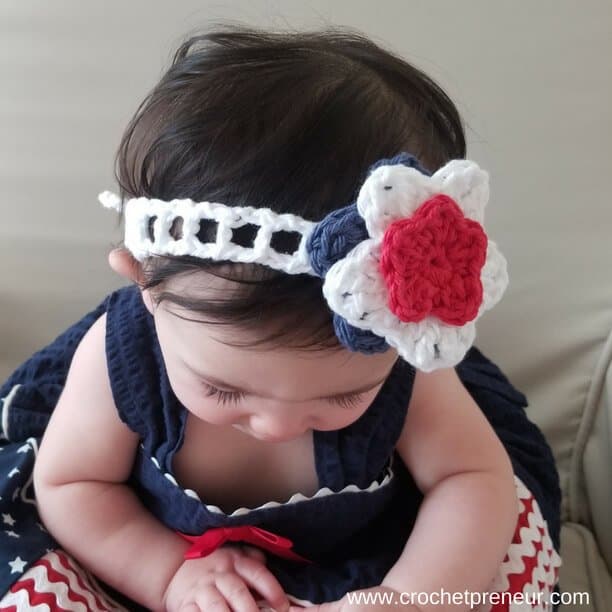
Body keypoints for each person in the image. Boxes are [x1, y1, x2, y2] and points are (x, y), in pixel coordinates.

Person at [0, 23, 562, 612]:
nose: (278, 426)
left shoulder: (400, 361)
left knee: (494, 560)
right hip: (145, 556)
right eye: (221, 387)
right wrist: (164, 575)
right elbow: (72, 485)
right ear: (142, 281)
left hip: (368, 566)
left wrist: (407, 595)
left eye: (342, 397)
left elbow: (470, 478)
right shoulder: (120, 359)